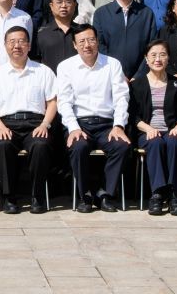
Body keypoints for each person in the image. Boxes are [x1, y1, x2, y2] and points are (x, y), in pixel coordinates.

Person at [55, 23, 131, 213]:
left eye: (91, 40)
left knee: (121, 146)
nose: (87, 45)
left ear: (97, 41)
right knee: (78, 147)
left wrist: (119, 125)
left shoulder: (112, 64)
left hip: (107, 124)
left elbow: (122, 97)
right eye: (81, 41)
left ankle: (105, 194)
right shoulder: (66, 67)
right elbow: (64, 102)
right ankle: (85, 195)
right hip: (80, 123)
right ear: (75, 45)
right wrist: (73, 128)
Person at [0, 26, 57, 215]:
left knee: (41, 145)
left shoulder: (43, 71)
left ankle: (37, 196)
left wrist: (45, 124)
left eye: (21, 41)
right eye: (12, 42)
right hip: (6, 123)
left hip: (36, 123)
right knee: (2, 145)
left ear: (29, 45)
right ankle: (9, 197)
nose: (16, 46)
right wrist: (0, 127)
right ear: (5, 46)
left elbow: (52, 102)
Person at [129, 41, 177, 216]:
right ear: (146, 59)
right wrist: (148, 129)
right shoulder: (137, 85)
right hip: (146, 131)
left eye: (162, 54)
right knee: (155, 142)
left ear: (168, 58)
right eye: (153, 55)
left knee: (175, 142)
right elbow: (132, 115)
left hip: (171, 129)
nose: (158, 59)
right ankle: (157, 194)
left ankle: (174, 195)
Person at [93, 0, 158, 78]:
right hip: (110, 75)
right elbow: (100, 46)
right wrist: (116, 73)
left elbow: (152, 46)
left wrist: (138, 75)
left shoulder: (146, 13)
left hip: (140, 78)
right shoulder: (101, 13)